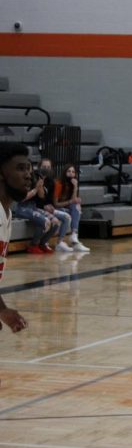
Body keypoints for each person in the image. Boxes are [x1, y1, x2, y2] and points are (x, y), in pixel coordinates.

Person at [0, 142, 31, 332]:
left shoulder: (6, 213)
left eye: (29, 168)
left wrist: (2, 310)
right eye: (20, 169)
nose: (28, 175)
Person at [12, 162, 61, 255]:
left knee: (55, 222)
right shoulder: (21, 180)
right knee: (45, 221)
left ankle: (42, 244)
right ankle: (33, 245)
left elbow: (41, 196)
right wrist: (35, 189)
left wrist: (40, 186)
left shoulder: (36, 177)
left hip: (33, 206)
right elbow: (21, 198)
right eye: (24, 168)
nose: (27, 170)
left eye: (28, 167)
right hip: (22, 207)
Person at [36, 158, 74, 252]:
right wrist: (44, 206)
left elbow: (50, 199)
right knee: (55, 219)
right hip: (37, 207)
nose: (46, 168)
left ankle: (59, 242)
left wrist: (51, 206)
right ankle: (42, 243)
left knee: (67, 217)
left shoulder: (50, 181)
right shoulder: (35, 178)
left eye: (48, 167)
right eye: (44, 166)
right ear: (39, 167)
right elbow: (36, 198)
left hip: (47, 207)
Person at [52, 163, 90, 252]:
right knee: (73, 209)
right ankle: (64, 241)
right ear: (64, 172)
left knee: (76, 206)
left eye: (73, 172)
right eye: (69, 171)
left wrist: (75, 187)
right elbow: (55, 204)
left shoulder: (71, 185)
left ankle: (74, 236)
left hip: (65, 208)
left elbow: (73, 200)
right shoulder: (58, 184)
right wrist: (71, 202)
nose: (71, 173)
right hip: (55, 208)